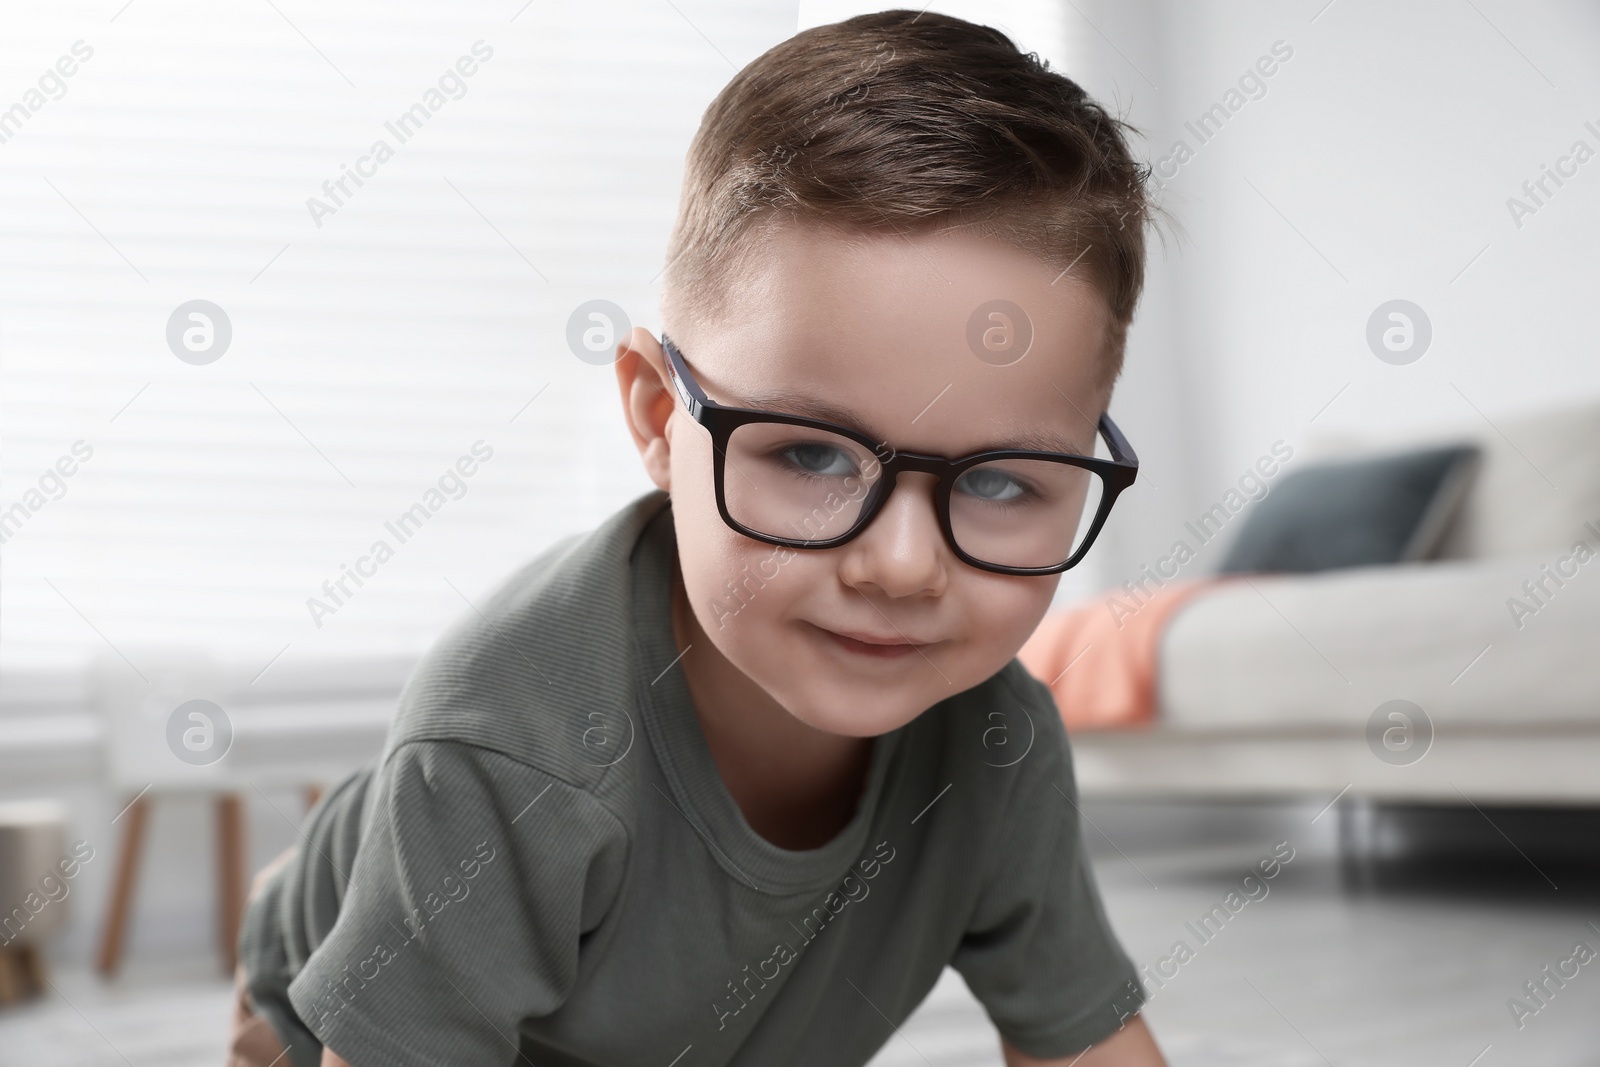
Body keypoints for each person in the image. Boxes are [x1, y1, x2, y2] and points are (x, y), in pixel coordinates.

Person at [230, 9, 1168, 1066]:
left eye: (1000, 479)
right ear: (656, 420)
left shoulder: (998, 746)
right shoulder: (508, 744)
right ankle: (306, 897)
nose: (902, 566)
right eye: (811, 457)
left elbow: (1085, 1037)